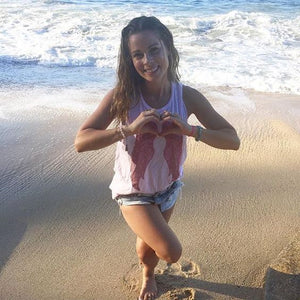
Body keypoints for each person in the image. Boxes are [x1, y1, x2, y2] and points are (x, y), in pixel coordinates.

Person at [75, 16, 240, 300]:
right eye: (137, 55)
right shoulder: (123, 97)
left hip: (169, 188)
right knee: (170, 251)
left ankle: (148, 275)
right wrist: (128, 128)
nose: (147, 60)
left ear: (168, 50)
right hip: (133, 192)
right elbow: (81, 141)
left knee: (149, 248)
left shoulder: (187, 97)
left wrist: (190, 130)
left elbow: (232, 139)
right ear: (130, 60)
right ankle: (148, 256)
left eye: (153, 50)